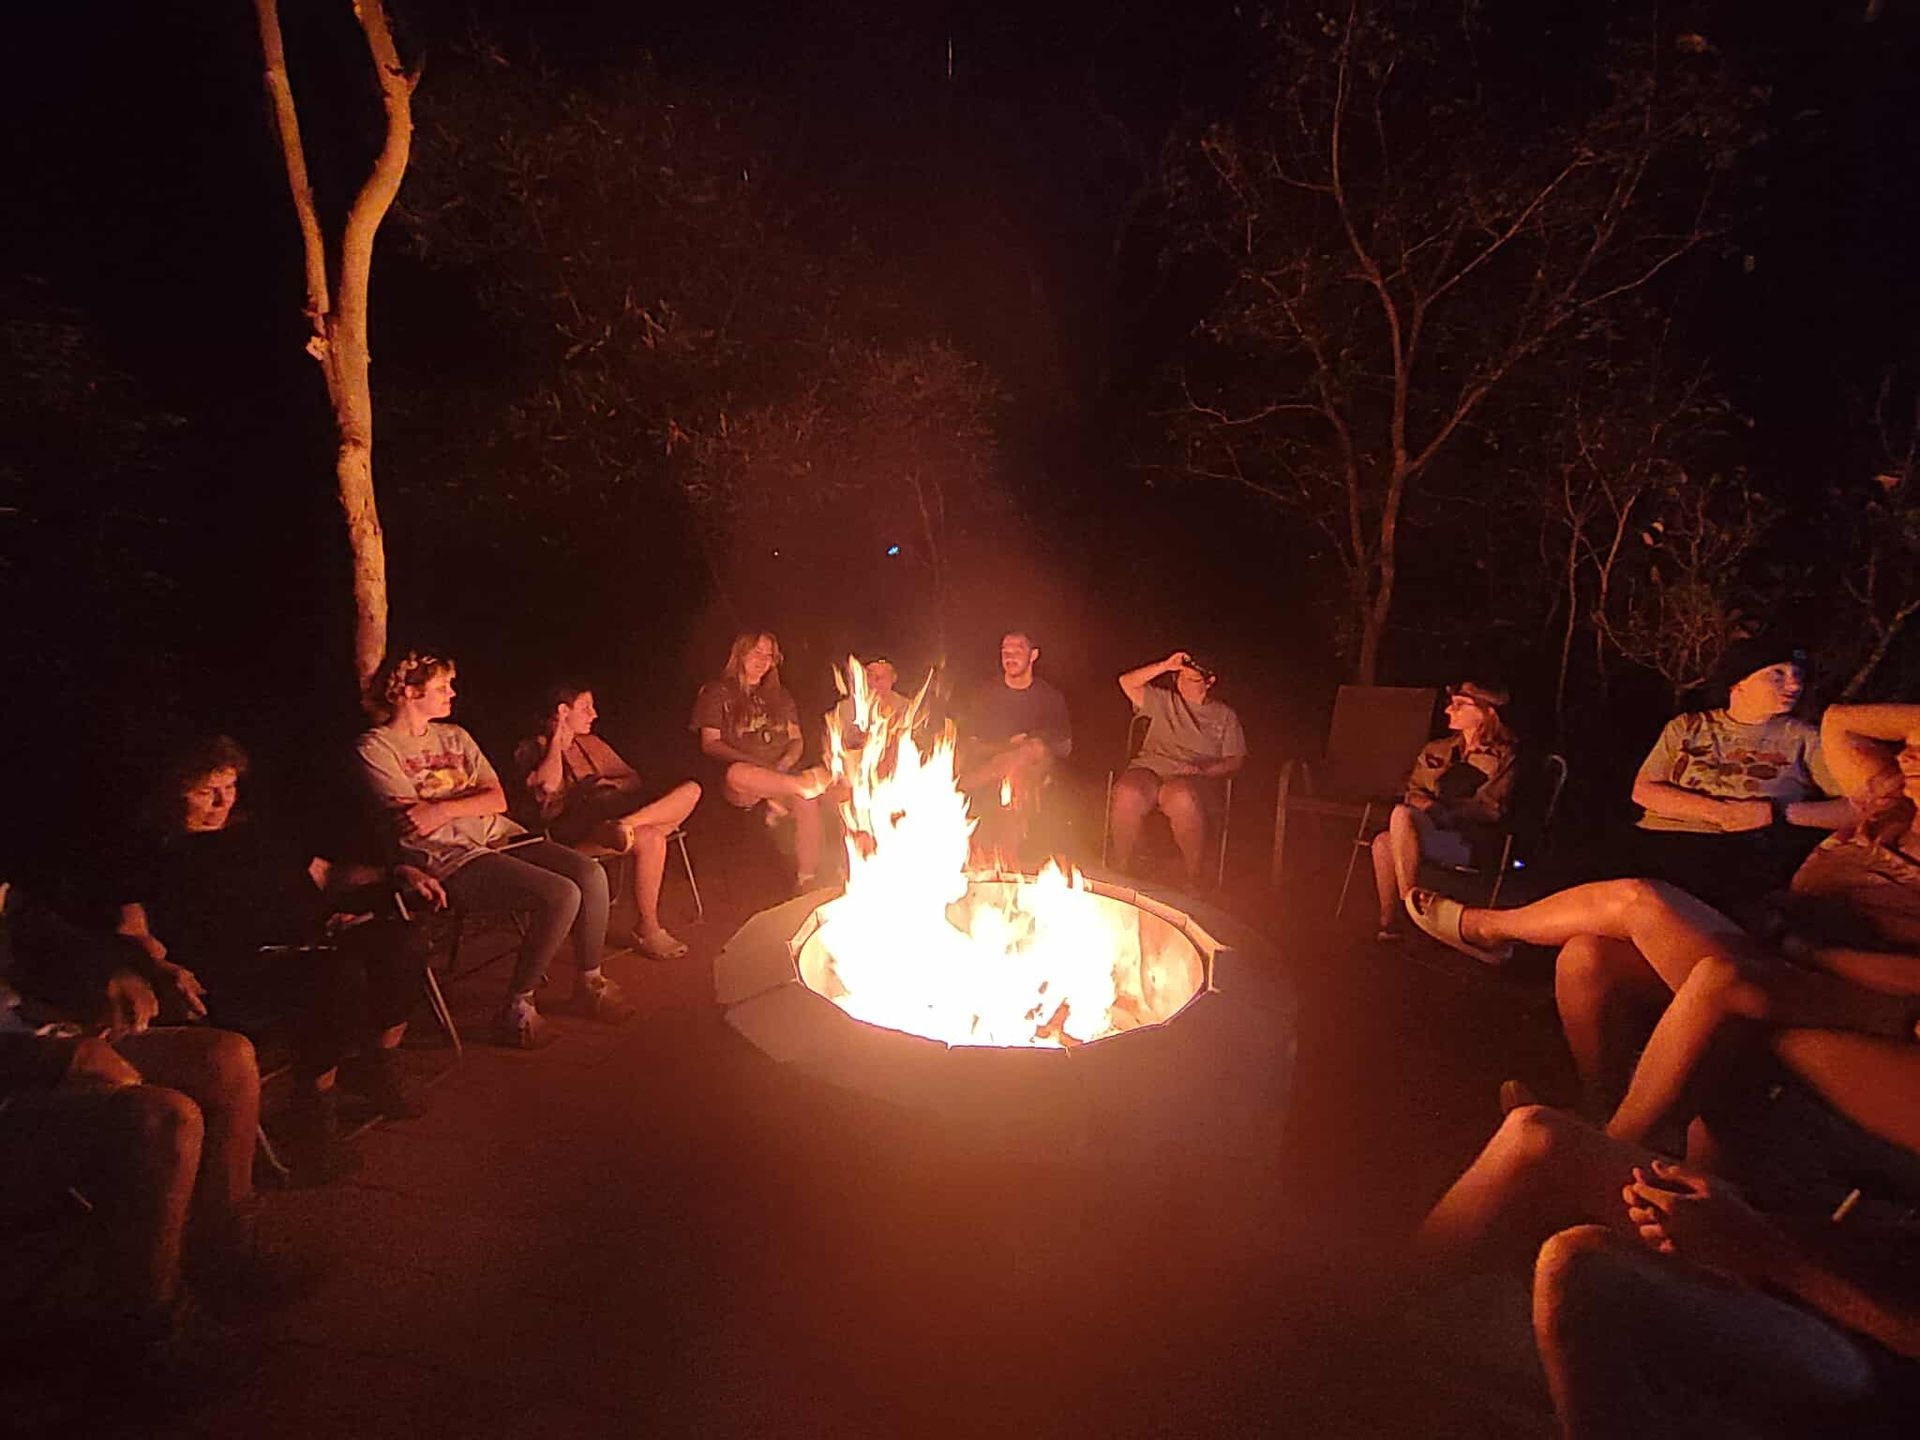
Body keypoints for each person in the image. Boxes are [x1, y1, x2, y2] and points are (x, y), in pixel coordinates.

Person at [1402, 703, 1920, 1153]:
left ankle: (1491, 931)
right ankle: (1607, 1109)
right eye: (1912, 745)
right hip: (1776, 945)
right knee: (1588, 956)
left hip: (1833, 984)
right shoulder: (1889, 810)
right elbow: (1842, 721)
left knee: (1640, 899)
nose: (1909, 753)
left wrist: (1805, 949)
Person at [115, 735, 444, 1181]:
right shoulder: (150, 852)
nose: (221, 800)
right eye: (205, 790)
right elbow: (133, 929)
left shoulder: (250, 831)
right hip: (237, 970)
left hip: (313, 942)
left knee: (404, 942)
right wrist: (161, 967)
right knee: (336, 974)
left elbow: (326, 874)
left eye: (229, 787)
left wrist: (394, 873)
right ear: (172, 790)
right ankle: (312, 1107)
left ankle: (375, 1065)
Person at [1, 880, 296, 1371]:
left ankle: (222, 1255)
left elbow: (38, 928)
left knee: (225, 1059)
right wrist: (58, 1058)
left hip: (29, 1031)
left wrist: (120, 970)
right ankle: (149, 1334)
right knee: (163, 1119)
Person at [356, 650, 629, 1050]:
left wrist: (443, 806)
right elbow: (413, 821)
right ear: (409, 694)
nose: (452, 692)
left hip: (499, 834)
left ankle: (589, 982)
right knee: (560, 894)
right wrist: (460, 804)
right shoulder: (376, 748)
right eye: (441, 687)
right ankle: (516, 1007)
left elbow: (498, 798)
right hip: (447, 857)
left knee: (590, 873)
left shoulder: (455, 736)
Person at [1627, 637, 1851, 916]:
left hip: (1743, 850)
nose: (1794, 685)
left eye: (1798, 676)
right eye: (1777, 674)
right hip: (1662, 838)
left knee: (1656, 902)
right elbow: (1644, 790)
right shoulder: (1688, 726)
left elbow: (1851, 809)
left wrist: (1778, 813)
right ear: (1738, 682)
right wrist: (1721, 812)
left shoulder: (1804, 737)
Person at [514, 683, 701, 960]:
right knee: (650, 837)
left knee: (692, 790)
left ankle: (627, 824)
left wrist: (606, 782)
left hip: (618, 820)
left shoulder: (592, 744)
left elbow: (631, 778)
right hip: (575, 836)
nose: (594, 714)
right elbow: (549, 787)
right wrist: (556, 741)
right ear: (563, 711)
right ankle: (648, 930)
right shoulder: (532, 748)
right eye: (585, 708)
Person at [1371, 680, 1517, 941]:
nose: (1449, 710)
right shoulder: (1437, 749)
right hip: (1426, 830)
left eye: (1460, 705)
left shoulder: (1505, 757)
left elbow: (1492, 808)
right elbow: (1412, 790)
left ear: (1486, 712)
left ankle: (1414, 912)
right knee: (1383, 840)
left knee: (1399, 820)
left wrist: (1449, 812)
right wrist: (1429, 806)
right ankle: (1390, 924)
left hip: (1467, 843)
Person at [690, 631, 830, 894]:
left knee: (805, 799)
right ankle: (796, 787)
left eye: (769, 655)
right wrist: (755, 763)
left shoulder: (780, 695)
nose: (763, 660)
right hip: (744, 781)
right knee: (739, 774)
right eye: (757, 652)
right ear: (740, 653)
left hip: (781, 773)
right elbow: (710, 743)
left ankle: (806, 878)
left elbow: (796, 739)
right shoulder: (717, 692)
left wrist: (784, 765)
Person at [1108, 649, 1247, 883]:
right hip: (1152, 768)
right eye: (1179, 678)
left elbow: (1235, 759)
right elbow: (1126, 682)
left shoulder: (1224, 716)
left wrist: (1204, 771)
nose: (1183, 685)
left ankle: (1194, 876)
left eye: (1191, 680)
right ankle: (1121, 867)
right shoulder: (1164, 701)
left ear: (1210, 682)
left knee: (1180, 796)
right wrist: (1165, 665)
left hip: (1194, 776)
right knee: (1127, 791)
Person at [957, 631, 1073, 859]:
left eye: (1017, 650)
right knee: (1016, 774)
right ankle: (1005, 859)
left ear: (1033, 655)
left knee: (1033, 751)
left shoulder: (1049, 697)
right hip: (996, 770)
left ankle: (961, 785)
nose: (1010, 656)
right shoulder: (986, 695)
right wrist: (1007, 748)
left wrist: (1028, 750)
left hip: (1036, 770)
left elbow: (1063, 747)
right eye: (1005, 651)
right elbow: (972, 746)